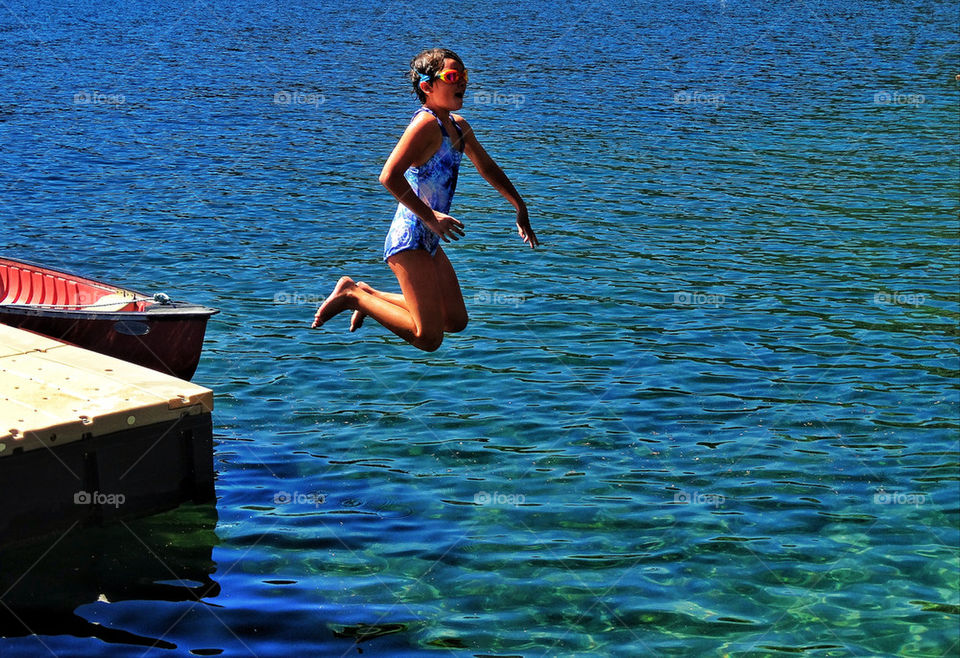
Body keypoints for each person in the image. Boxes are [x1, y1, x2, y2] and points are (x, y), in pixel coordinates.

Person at [311, 48, 538, 351]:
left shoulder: (458, 126)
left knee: (454, 320)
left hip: (430, 239)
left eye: (465, 76)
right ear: (427, 86)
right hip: (410, 237)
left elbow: (487, 167)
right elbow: (389, 176)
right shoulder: (424, 124)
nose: (463, 83)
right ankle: (354, 296)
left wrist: (519, 206)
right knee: (428, 337)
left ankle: (363, 291)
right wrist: (431, 217)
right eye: (453, 77)